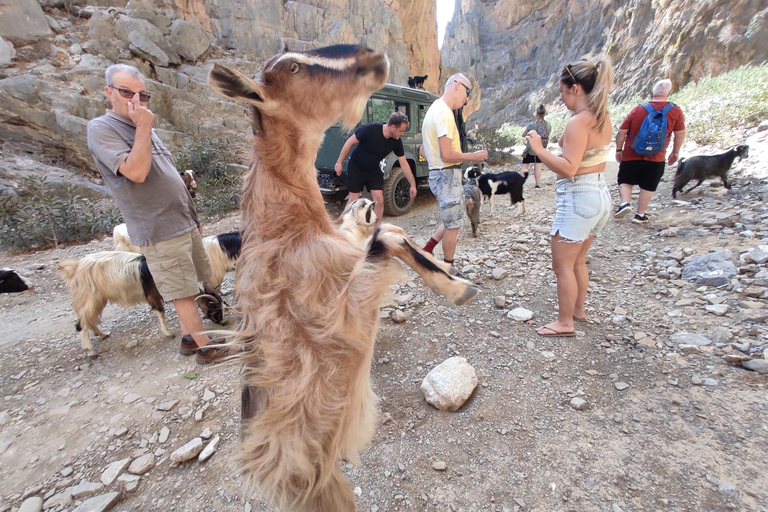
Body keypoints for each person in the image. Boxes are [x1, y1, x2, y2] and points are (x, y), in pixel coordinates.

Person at [86, 64, 229, 365]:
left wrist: (193, 216)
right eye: (126, 92)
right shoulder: (103, 128)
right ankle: (204, 348)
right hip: (159, 226)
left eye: (142, 95)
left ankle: (191, 338)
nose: (135, 100)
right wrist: (143, 127)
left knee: (197, 278)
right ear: (109, 91)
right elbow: (136, 172)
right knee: (181, 289)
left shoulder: (144, 125)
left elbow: (168, 175)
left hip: (182, 220)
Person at [524, 57, 614, 337]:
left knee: (562, 265)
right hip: (599, 194)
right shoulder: (601, 116)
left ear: (575, 88)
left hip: (579, 198)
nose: (561, 98)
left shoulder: (579, 121)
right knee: (578, 262)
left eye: (562, 92)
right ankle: (577, 311)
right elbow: (575, 150)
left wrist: (538, 149)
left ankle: (565, 323)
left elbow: (568, 168)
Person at [421, 74, 488, 266]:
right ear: (457, 85)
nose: (467, 99)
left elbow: (423, 150)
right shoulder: (443, 112)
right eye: (467, 92)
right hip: (447, 174)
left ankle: (426, 250)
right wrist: (474, 156)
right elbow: (447, 155)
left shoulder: (435, 108)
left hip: (441, 174)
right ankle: (448, 271)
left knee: (453, 217)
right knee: (453, 226)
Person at [614, 79, 685, 223]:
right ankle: (639, 215)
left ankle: (625, 203)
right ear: (669, 93)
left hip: (632, 153)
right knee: (649, 184)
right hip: (656, 156)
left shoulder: (638, 109)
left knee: (625, 179)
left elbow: (622, 132)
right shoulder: (675, 110)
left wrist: (619, 149)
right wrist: (675, 152)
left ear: (652, 93)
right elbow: (680, 134)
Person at [335, 112, 416, 226]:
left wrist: (412, 184)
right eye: (401, 131)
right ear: (393, 127)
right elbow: (349, 142)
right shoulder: (370, 129)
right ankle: (342, 225)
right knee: (353, 199)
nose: (402, 134)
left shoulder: (396, 141)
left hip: (373, 170)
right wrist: (339, 163)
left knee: (379, 200)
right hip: (356, 167)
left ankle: (375, 231)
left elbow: (404, 164)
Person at [521, 104, 551, 188]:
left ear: (537, 114)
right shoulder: (548, 125)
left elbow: (523, 135)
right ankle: (537, 184)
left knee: (525, 165)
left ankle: (519, 184)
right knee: (538, 165)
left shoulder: (532, 125)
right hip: (541, 148)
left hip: (531, 149)